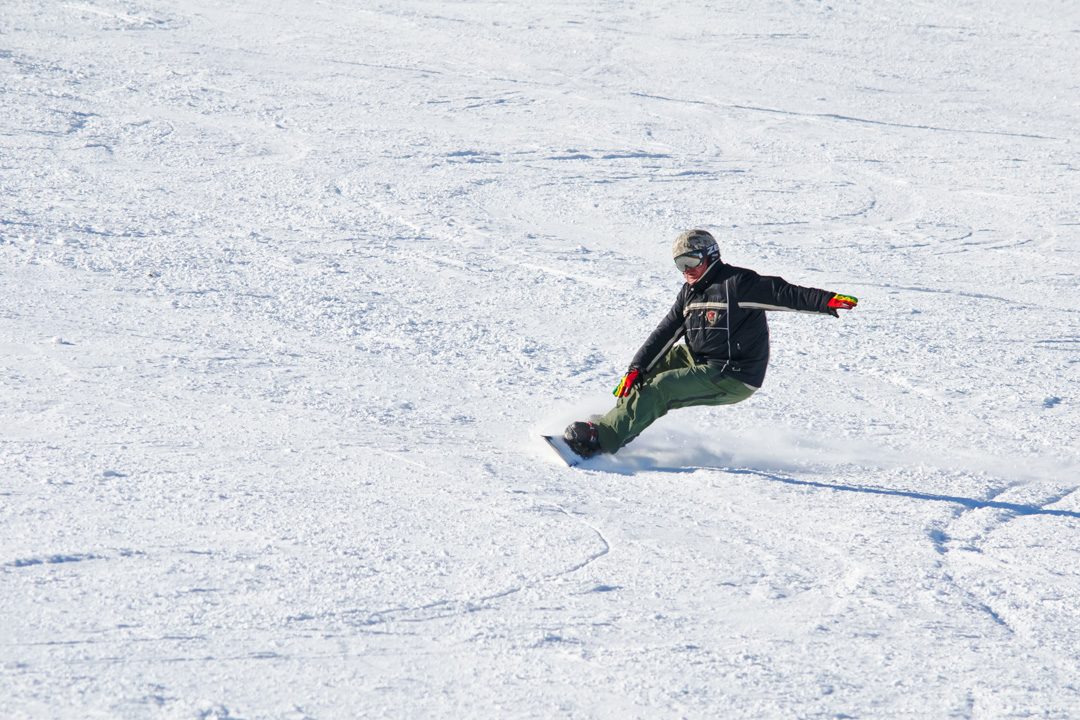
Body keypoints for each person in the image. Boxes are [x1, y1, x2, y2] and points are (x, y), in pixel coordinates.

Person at [562, 229, 858, 459]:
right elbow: (665, 332)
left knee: (661, 387)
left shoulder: (737, 284)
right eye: (680, 264)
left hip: (733, 374)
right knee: (647, 375)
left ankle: (602, 440)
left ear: (711, 256)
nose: (686, 270)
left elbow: (783, 293)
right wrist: (636, 368)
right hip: (700, 360)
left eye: (691, 261)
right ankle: (614, 424)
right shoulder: (689, 293)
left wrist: (825, 300)